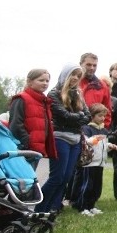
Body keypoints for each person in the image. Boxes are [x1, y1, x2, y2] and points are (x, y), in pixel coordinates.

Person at [37, 64, 90, 213]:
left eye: (78, 76)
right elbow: (64, 116)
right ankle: (40, 208)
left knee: (66, 177)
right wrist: (79, 116)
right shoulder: (54, 94)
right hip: (60, 138)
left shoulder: (78, 94)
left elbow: (88, 116)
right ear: (65, 75)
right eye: (73, 74)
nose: (75, 78)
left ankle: (53, 208)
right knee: (57, 177)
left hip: (75, 140)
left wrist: (77, 117)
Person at [9, 69, 57, 183]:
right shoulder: (21, 99)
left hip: (36, 149)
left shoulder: (43, 102)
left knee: (29, 181)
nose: (45, 83)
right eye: (41, 80)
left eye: (47, 80)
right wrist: (28, 141)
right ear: (30, 82)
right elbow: (15, 125)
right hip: (25, 148)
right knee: (22, 181)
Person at [73, 103, 117, 216]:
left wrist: (110, 146)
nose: (102, 118)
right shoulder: (87, 128)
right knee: (87, 185)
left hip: (100, 163)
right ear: (92, 116)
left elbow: (104, 146)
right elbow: (86, 142)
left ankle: (91, 206)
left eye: (104, 116)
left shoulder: (104, 130)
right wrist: (95, 139)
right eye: (99, 116)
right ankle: (82, 207)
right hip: (89, 163)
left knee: (97, 187)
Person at [78, 53, 113, 128]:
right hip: (74, 128)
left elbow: (107, 110)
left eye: (94, 65)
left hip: (94, 130)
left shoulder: (102, 86)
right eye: (88, 65)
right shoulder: (73, 82)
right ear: (80, 64)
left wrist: (104, 128)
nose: (92, 68)